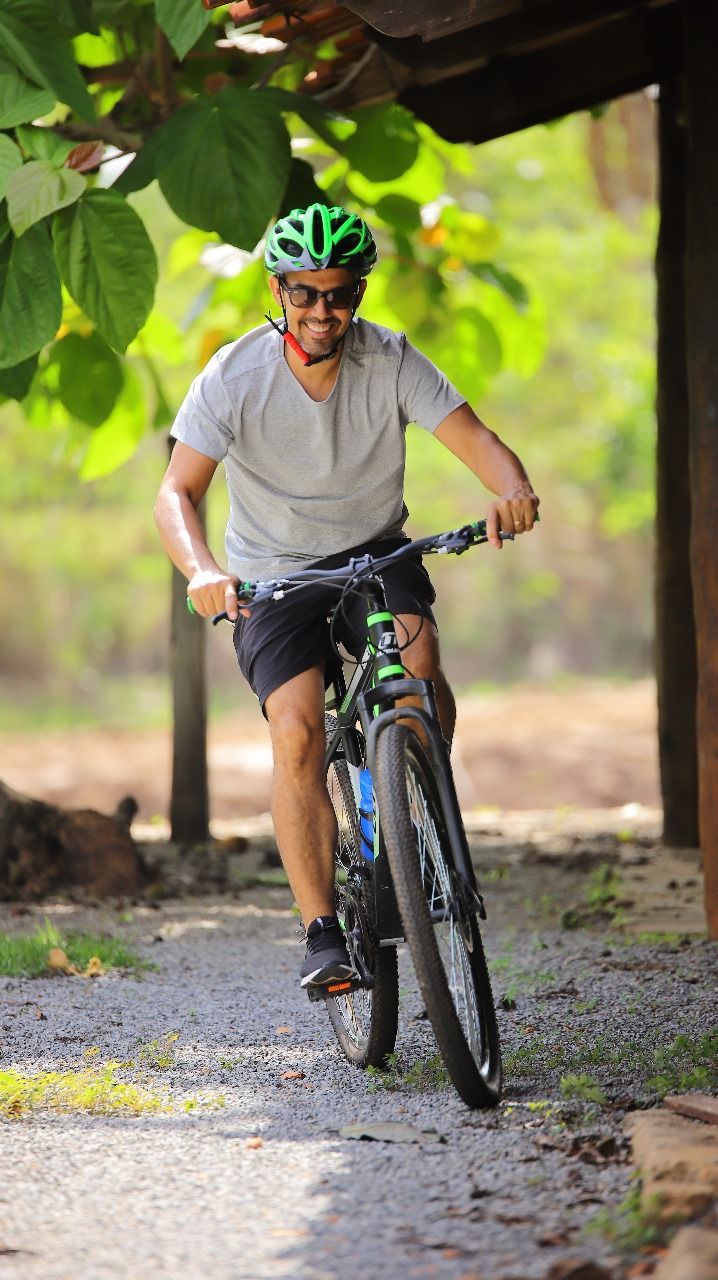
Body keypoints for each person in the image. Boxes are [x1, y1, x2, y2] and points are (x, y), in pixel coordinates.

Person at [154, 202, 539, 996]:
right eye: (306, 294)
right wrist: (200, 570)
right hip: (272, 576)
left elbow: (477, 440)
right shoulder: (233, 376)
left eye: (340, 294)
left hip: (375, 555)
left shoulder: (392, 360)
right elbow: (176, 493)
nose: (323, 311)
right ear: (278, 289)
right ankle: (322, 932)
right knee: (296, 731)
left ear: (359, 293)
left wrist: (513, 489)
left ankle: (413, 812)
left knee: (418, 661)